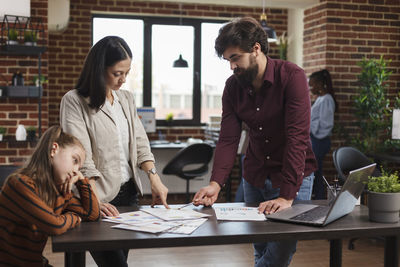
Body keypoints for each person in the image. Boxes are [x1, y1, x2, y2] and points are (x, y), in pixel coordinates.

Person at [193, 17, 317, 267]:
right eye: (228, 60)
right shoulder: (232, 87)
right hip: (255, 175)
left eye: (235, 57)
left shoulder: (291, 76)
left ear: (256, 49)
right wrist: (216, 183)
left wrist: (286, 196)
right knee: (260, 247)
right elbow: (228, 138)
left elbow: (297, 137)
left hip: (292, 176)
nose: (231, 66)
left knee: (281, 250)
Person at [60, 35, 169, 267]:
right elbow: (80, 158)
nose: (123, 80)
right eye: (117, 74)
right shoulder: (74, 101)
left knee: (120, 261)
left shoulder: (126, 99)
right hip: (96, 196)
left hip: (128, 195)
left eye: (126, 73)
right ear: (99, 69)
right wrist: (93, 202)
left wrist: (154, 179)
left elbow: (140, 143)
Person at [0, 125, 100, 267]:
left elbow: (92, 214)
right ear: (54, 150)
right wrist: (75, 218)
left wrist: (82, 181)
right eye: (75, 160)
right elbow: (54, 225)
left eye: (79, 167)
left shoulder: (57, 192)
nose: (76, 170)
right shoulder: (18, 184)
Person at [309, 69, 337, 199]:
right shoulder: (321, 99)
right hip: (315, 140)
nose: (310, 88)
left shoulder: (326, 99)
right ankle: (317, 196)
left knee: (316, 171)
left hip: (319, 140)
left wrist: (310, 128)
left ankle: (319, 198)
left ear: (320, 84)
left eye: (312, 84)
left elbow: (325, 124)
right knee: (315, 170)